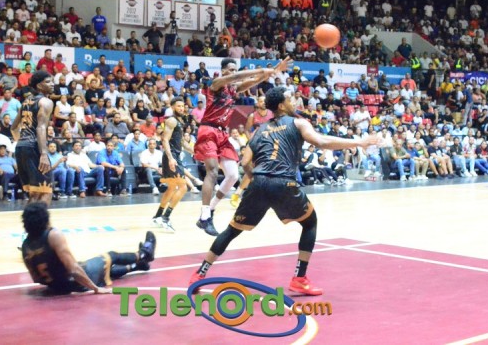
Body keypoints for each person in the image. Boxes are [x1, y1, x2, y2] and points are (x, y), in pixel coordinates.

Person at [190, 86, 388, 295]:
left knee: (232, 231)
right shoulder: (298, 123)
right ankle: (299, 278)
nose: (293, 102)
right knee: (310, 223)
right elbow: (321, 141)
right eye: (289, 99)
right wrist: (359, 142)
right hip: (283, 183)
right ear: (282, 105)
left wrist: (258, 181)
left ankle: (199, 274)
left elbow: (246, 162)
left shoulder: (259, 130)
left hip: (258, 183)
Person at [195, 57, 291, 236]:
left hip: (222, 133)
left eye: (234, 69)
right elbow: (238, 77)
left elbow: (254, 80)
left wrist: (274, 70)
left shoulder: (233, 89)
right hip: (208, 129)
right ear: (223, 70)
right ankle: (204, 215)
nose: (233, 72)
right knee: (213, 171)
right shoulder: (216, 83)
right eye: (230, 69)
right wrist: (261, 70)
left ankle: (210, 211)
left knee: (232, 175)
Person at [21, 202, 156, 294]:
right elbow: (74, 269)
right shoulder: (53, 235)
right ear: (45, 219)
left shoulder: (25, 245)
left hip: (57, 288)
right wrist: (95, 288)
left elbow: (36, 279)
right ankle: (145, 253)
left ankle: (137, 266)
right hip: (76, 283)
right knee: (110, 257)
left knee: (104, 271)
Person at [12, 71, 55, 204]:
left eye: (52, 81)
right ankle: (39, 219)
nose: (52, 84)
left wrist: (21, 142)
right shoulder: (46, 102)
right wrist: (44, 154)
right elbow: (40, 128)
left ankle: (31, 218)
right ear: (39, 86)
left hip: (21, 147)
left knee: (35, 193)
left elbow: (13, 127)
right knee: (45, 191)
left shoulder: (26, 102)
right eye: (48, 82)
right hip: (34, 147)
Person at [151, 98, 190, 233]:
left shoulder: (180, 121)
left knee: (172, 187)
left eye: (182, 106)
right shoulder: (171, 120)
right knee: (183, 187)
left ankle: (157, 216)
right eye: (178, 106)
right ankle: (165, 217)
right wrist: (171, 158)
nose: (181, 108)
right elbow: (165, 140)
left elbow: (182, 143)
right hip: (171, 156)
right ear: (172, 107)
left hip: (175, 155)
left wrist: (196, 152)